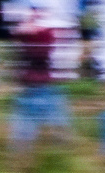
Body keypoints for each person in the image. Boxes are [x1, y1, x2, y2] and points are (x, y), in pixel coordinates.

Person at [9, 1, 69, 149]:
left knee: (58, 126)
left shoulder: (47, 33)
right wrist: (29, 25)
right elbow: (17, 33)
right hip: (30, 85)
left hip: (44, 84)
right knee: (25, 129)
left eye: (39, 10)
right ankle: (24, 157)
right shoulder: (29, 31)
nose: (36, 13)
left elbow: (42, 52)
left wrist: (32, 28)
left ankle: (58, 155)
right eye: (33, 10)